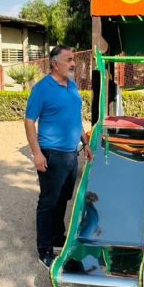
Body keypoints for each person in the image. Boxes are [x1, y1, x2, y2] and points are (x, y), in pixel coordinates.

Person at [24, 45, 92, 269]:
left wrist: (85, 142)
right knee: (48, 202)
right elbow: (29, 121)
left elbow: (75, 116)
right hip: (51, 153)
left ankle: (56, 236)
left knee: (63, 198)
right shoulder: (42, 89)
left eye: (73, 59)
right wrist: (36, 153)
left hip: (71, 153)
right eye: (69, 59)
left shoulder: (72, 85)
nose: (73, 63)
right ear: (55, 63)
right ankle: (44, 249)